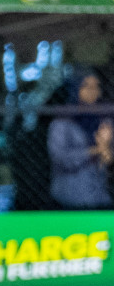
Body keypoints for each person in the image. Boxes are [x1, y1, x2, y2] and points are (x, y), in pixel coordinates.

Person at [48, 71, 113, 209]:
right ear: (76, 89)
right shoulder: (62, 122)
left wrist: (107, 149)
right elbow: (60, 158)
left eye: (96, 86)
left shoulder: (104, 121)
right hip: (70, 199)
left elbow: (107, 159)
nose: (92, 91)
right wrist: (95, 150)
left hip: (100, 198)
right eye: (86, 86)